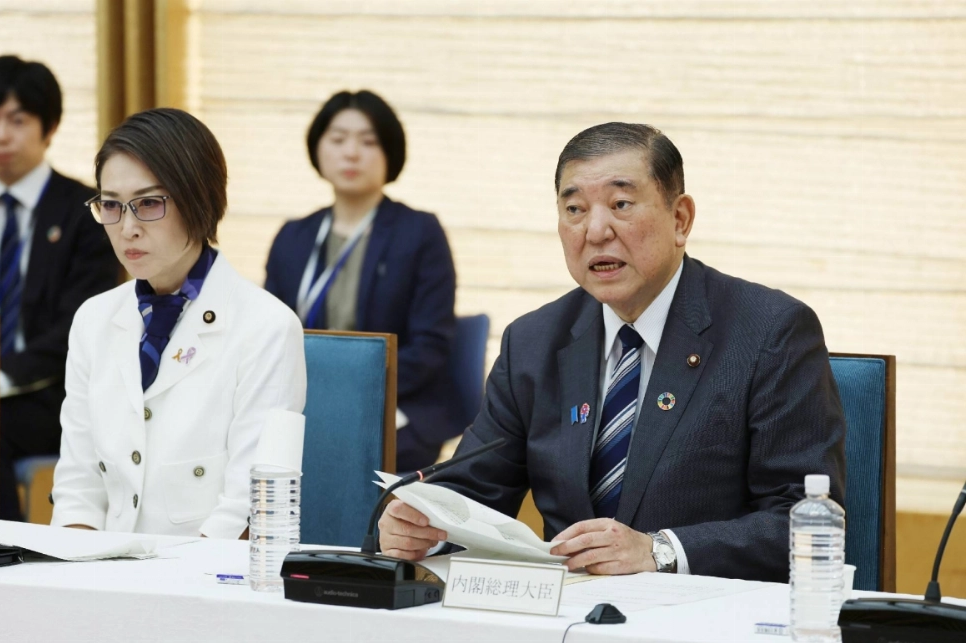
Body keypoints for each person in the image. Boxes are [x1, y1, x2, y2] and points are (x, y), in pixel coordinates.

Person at [378, 122, 846, 582]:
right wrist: (421, 527)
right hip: (565, 618)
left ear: (680, 220)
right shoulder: (534, 342)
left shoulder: (768, 331)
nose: (596, 230)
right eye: (575, 209)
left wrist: (658, 550)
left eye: (621, 204)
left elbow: (804, 520)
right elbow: (471, 489)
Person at [49, 108, 306, 538]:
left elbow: (247, 508)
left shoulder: (267, 327)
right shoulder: (93, 319)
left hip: (204, 587)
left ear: (199, 200)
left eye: (148, 203)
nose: (127, 227)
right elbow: (78, 487)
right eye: (111, 205)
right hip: (102, 580)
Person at [265, 90, 457, 472]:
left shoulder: (419, 232)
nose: (351, 153)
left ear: (391, 153)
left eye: (368, 141)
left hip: (392, 404)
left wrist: (351, 393)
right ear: (317, 148)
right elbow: (268, 334)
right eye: (337, 140)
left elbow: (431, 347)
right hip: (303, 401)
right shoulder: (293, 236)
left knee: (340, 458)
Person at [0, 55, 118, 521]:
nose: (1, 135)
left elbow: (79, 325)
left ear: (49, 126)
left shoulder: (85, 214)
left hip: (51, 395)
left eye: (17, 120)